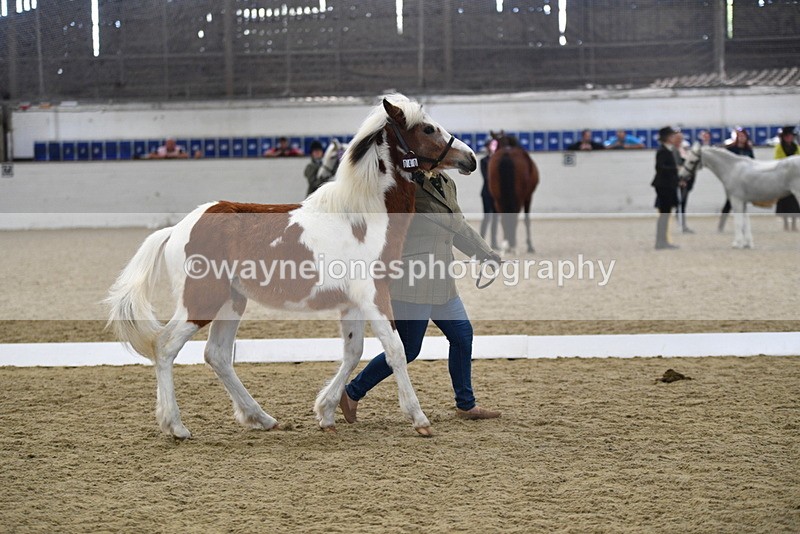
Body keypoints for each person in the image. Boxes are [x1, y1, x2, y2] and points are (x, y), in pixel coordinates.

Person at [340, 169, 502, 423]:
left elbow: (457, 226)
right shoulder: (406, 185)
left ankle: (466, 404)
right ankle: (351, 392)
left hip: (442, 282)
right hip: (412, 281)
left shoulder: (447, 183)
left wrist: (485, 253)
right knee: (408, 349)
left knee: (462, 336)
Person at [652, 126, 682, 249]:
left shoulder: (669, 150)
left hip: (668, 184)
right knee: (664, 214)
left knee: (666, 214)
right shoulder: (662, 151)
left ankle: (663, 240)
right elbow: (660, 168)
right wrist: (676, 169)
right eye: (671, 136)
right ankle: (661, 241)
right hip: (664, 185)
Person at [719, 127, 755, 232]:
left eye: (743, 136)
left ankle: (742, 224)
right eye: (740, 136)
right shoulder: (730, 149)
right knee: (729, 202)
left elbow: (753, 162)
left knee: (743, 202)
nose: (741, 138)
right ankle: (722, 223)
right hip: (733, 179)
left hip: (745, 179)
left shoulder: (748, 150)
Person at [774, 126, 799, 232]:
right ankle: (785, 224)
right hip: (783, 178)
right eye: (787, 136)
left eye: (791, 136)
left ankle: (793, 224)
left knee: (794, 201)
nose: (789, 138)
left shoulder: (797, 147)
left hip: (794, 178)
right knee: (784, 200)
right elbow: (778, 161)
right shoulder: (779, 147)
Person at [479, 138, 499, 249]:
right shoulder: (484, 161)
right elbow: (487, 177)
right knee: (487, 217)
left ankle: (494, 242)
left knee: (495, 218)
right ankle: (481, 241)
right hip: (487, 192)